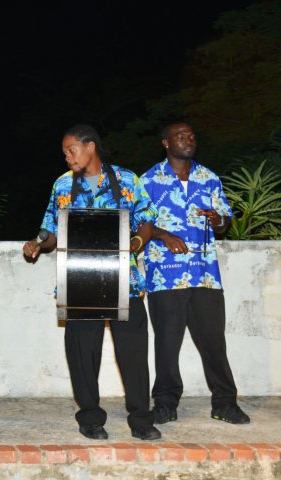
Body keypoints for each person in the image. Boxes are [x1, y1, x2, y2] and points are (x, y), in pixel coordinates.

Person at [23, 124, 161, 441]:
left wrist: (135, 244)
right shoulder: (62, 185)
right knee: (82, 352)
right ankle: (90, 418)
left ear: (90, 146)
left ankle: (141, 419)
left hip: (124, 278)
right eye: (65, 153)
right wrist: (37, 244)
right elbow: (50, 231)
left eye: (71, 150)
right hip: (79, 278)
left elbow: (146, 220)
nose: (67, 157)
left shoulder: (127, 179)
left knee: (133, 352)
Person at [140, 122, 250, 425]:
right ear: (166, 142)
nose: (188, 140)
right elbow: (140, 223)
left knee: (214, 342)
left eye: (191, 136)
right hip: (165, 275)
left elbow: (223, 223)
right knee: (166, 344)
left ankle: (225, 403)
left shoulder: (209, 178)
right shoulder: (149, 180)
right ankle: (165, 403)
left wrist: (217, 220)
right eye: (180, 136)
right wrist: (163, 235)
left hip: (205, 275)